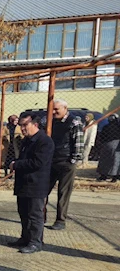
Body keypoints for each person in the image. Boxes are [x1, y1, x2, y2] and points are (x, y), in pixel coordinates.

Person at [9, 115, 54, 254]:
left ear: (35, 124)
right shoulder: (27, 141)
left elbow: (38, 162)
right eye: (20, 126)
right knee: (23, 212)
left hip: (36, 184)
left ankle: (35, 242)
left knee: (35, 214)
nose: (22, 129)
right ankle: (25, 238)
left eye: (25, 125)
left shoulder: (44, 142)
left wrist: (17, 164)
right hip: (24, 183)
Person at [46, 99, 84, 230]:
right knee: (43, 189)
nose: (54, 112)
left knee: (63, 192)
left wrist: (72, 160)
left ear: (65, 108)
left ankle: (60, 220)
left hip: (66, 161)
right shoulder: (50, 122)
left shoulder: (74, 122)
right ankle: (40, 216)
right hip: (51, 161)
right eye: (53, 110)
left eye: (57, 109)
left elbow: (78, 144)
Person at [96, 115, 120, 182]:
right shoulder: (118, 127)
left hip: (106, 144)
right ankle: (114, 177)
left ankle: (103, 176)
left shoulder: (106, 127)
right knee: (115, 161)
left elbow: (101, 137)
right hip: (116, 144)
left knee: (104, 161)